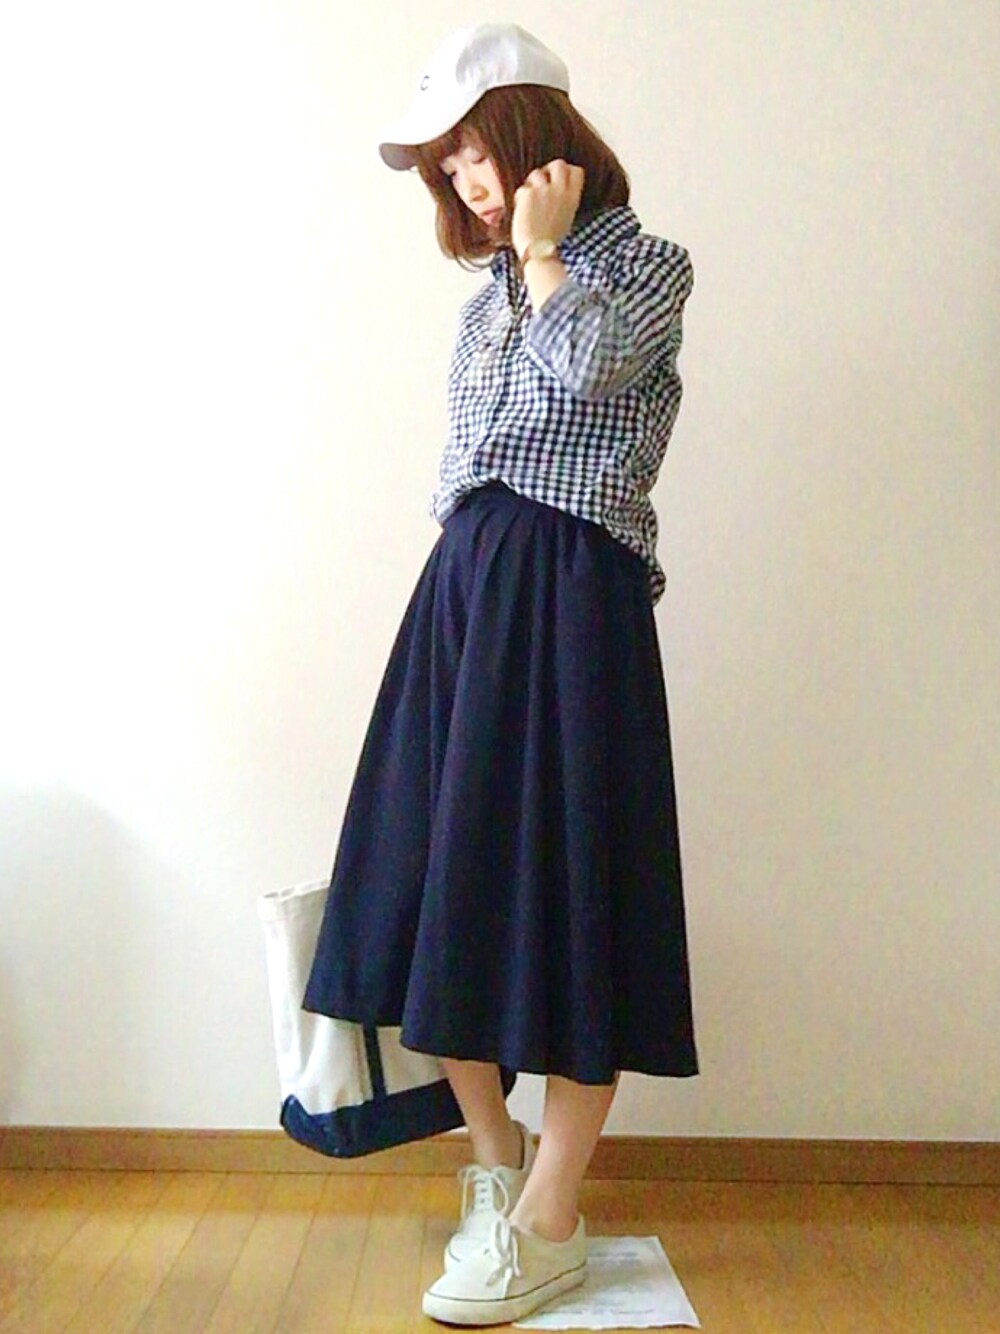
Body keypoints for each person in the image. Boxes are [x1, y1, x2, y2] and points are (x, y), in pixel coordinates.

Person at [303, 21, 699, 1326]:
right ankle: (497, 1162)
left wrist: (541, 255)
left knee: (575, 887)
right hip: (470, 590)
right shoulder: (484, 302)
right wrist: (516, 270)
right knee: (432, 877)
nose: (469, 182)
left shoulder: (642, 267)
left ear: (542, 138)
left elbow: (588, 372)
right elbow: (469, 459)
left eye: (480, 151)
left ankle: (554, 1213)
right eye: (450, 167)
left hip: (573, 592)